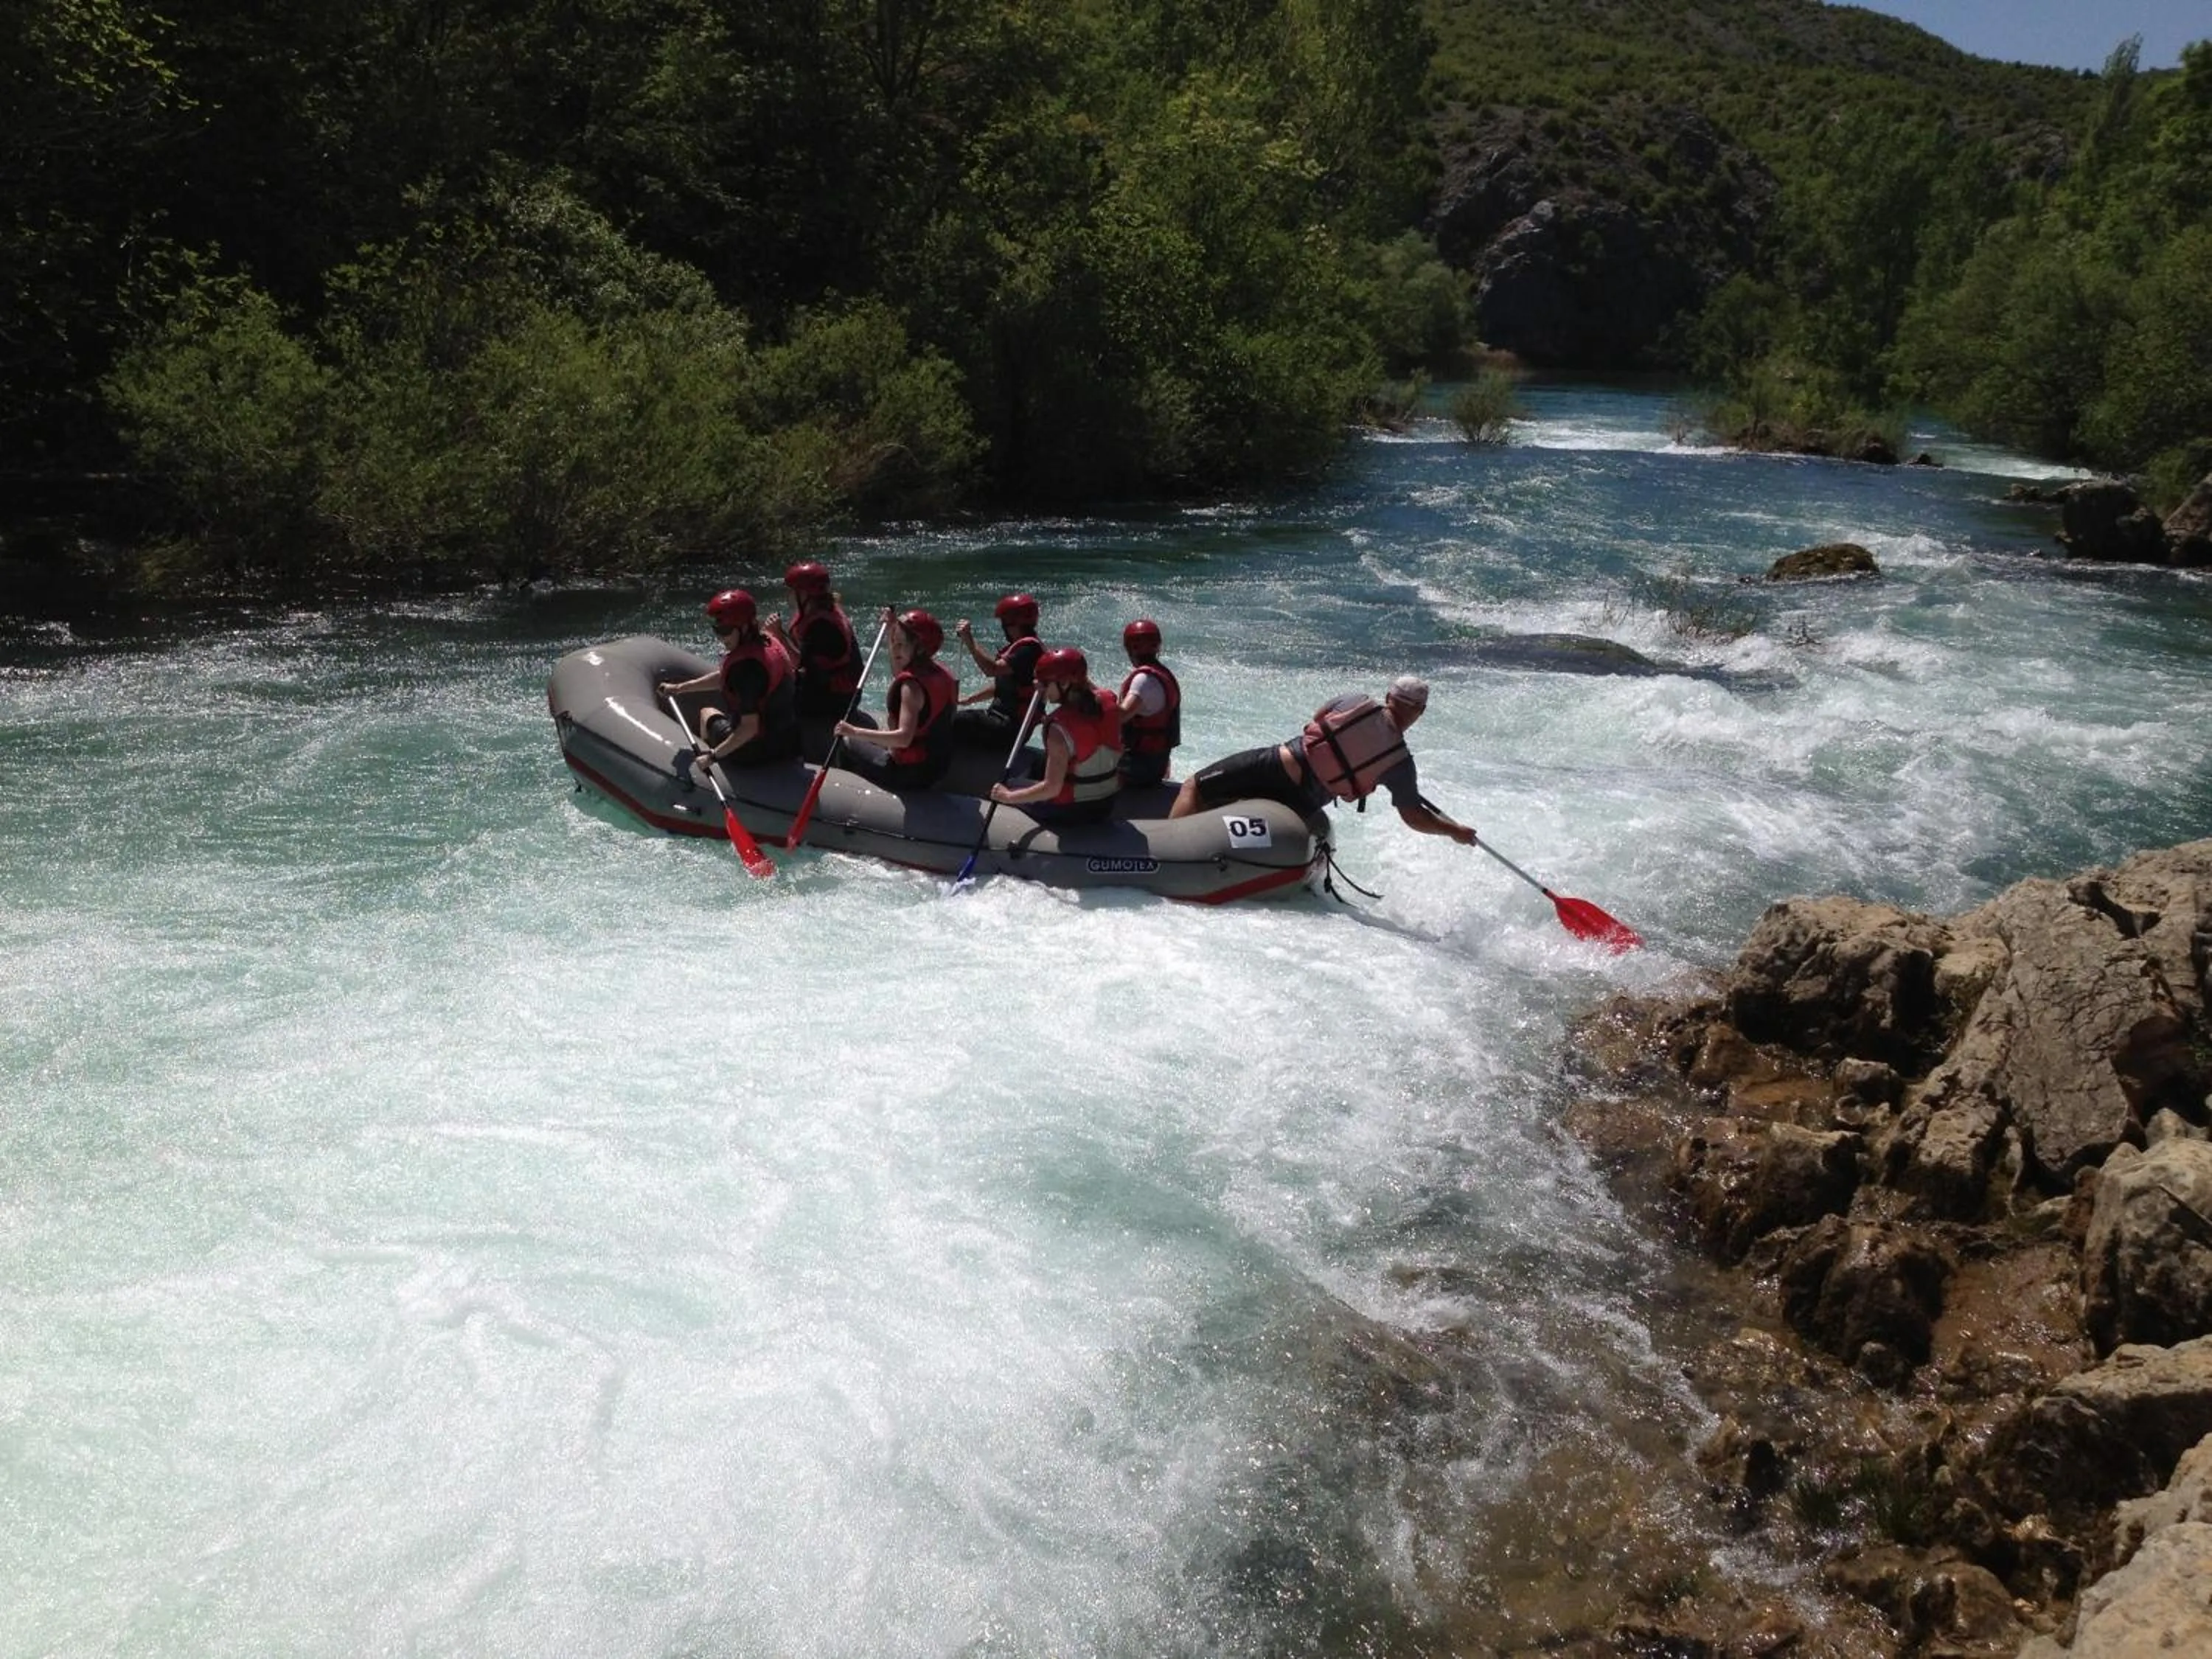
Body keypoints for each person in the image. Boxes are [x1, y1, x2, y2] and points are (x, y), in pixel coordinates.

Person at [1167, 675, 1475, 844]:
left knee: (1195, 786)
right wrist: (1454, 831)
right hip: (1307, 801)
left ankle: (1167, 849)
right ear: (1420, 712)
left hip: (1281, 767)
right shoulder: (1400, 765)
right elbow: (1414, 817)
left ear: (1389, 697)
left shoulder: (1357, 701)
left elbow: (1316, 719)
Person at [656, 588, 801, 773]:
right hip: (789, 741)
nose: (720, 637)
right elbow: (724, 678)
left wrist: (712, 756)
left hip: (756, 750)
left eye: (725, 631)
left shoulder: (746, 671)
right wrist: (679, 688)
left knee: (706, 713)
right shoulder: (767, 642)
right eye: (717, 629)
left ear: (745, 627)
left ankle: (715, 767)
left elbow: (750, 728)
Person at [990, 646, 1122, 827]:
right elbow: (1088, 693)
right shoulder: (1110, 701)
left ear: (1066, 683)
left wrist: (1008, 796)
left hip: (1072, 810)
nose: (1039, 687)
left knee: (1011, 784)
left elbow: (1052, 789)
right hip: (1107, 803)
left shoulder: (1058, 728)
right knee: (1038, 765)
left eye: (1044, 683)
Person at [832, 608, 960, 791]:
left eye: (901, 644)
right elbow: (900, 669)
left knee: (846, 741)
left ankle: (844, 793)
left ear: (920, 648)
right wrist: (891, 629)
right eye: (895, 642)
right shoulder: (941, 673)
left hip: (909, 773)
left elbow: (903, 739)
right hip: (937, 767)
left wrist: (853, 731)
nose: (895, 648)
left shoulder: (911, 687)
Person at [766, 560, 863, 716]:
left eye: (792, 591)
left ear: (804, 594)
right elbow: (805, 653)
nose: (789, 596)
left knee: (775, 698)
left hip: (837, 698)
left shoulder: (822, 627)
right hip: (828, 686)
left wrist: (778, 636)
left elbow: (799, 663)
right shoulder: (818, 613)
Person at [952, 593, 1045, 742]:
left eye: (1004, 622)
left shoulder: (1028, 650)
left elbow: (992, 670)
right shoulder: (1020, 649)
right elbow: (1001, 686)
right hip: (1001, 721)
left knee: (953, 723)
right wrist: (969, 699)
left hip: (1009, 728)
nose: (1003, 627)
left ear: (1013, 623)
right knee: (956, 719)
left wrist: (969, 640)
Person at [1115, 617, 1180, 787]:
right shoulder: (1162, 674)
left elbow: (1121, 715)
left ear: (1130, 648)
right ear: (1158, 646)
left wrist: (1088, 698)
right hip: (1157, 763)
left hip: (1138, 766)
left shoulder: (1143, 681)